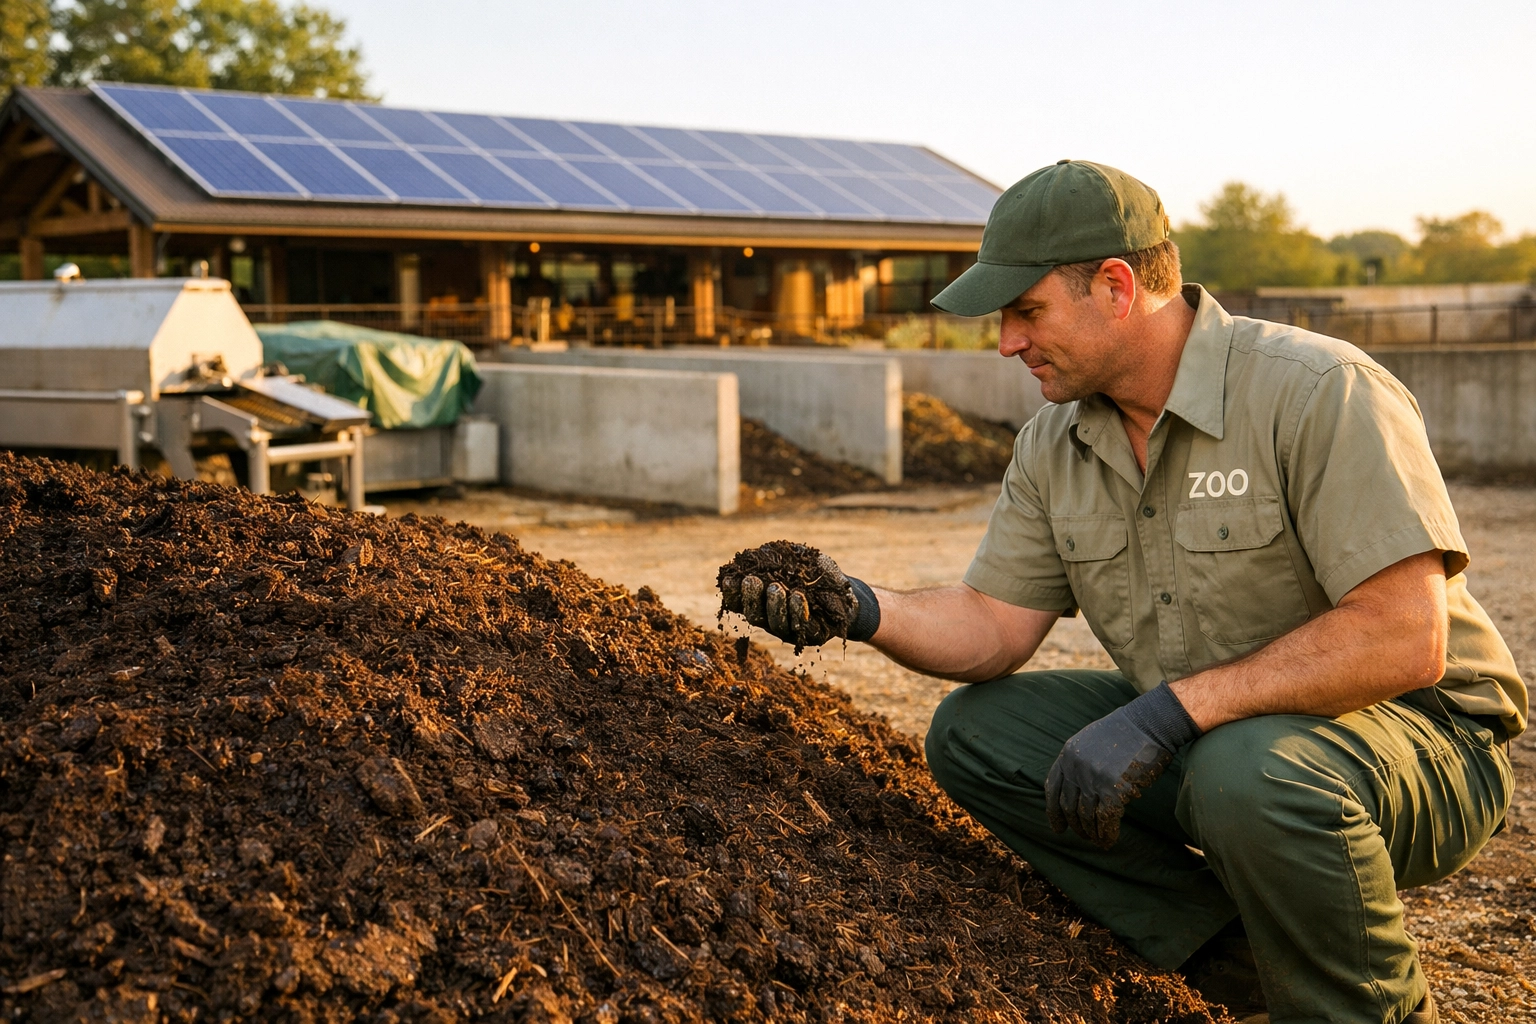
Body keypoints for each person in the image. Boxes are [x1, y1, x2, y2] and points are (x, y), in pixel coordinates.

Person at [721, 160, 1525, 1024]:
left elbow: (1404, 637)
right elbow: (991, 624)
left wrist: (1168, 714)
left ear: (1114, 287)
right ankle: (1231, 959)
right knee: (977, 734)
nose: (1007, 344)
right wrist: (856, 605)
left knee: (1244, 772)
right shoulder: (1054, 443)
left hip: (1423, 739)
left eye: (1026, 312)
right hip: (1219, 731)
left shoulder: (1318, 390)